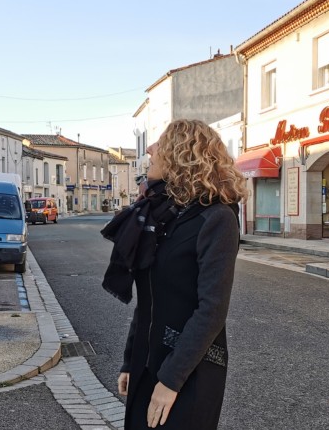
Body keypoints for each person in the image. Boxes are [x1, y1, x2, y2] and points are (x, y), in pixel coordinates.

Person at [100, 120, 246, 429]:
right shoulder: (160, 213)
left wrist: (170, 381)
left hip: (188, 369)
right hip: (146, 360)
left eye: (159, 144)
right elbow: (148, 298)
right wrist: (130, 359)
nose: (150, 149)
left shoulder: (217, 218)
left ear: (182, 154)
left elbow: (211, 310)